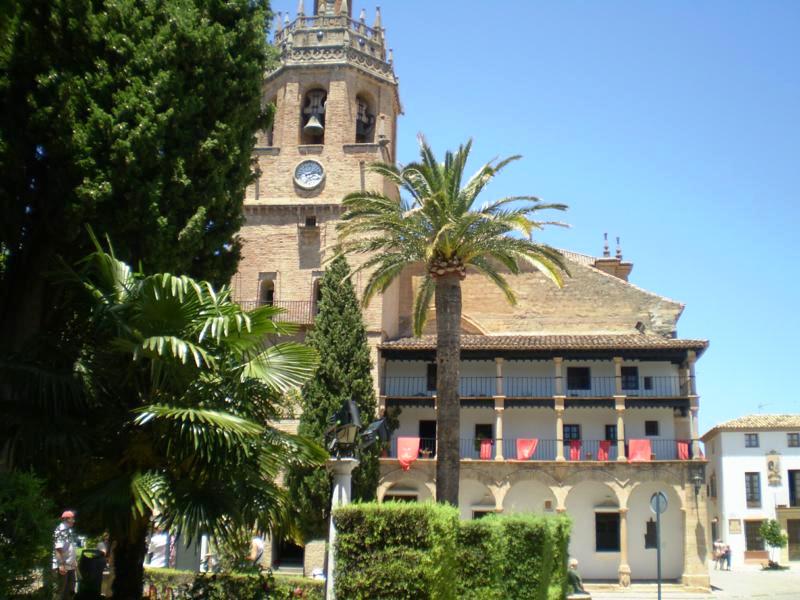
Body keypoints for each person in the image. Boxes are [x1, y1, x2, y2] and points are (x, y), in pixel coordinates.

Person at [53, 510, 78, 599]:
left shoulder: (68, 531)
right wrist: (60, 565)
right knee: (60, 592)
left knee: (70, 591)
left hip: (70, 566)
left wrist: (74, 560)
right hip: (63, 566)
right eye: (72, 519)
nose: (74, 521)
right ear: (67, 519)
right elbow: (58, 549)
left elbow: (70, 547)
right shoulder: (61, 530)